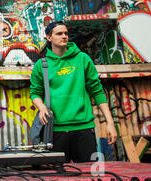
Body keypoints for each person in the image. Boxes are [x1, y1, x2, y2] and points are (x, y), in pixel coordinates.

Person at [30, 21, 117, 163]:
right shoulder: (42, 65)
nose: (64, 36)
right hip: (55, 131)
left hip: (83, 128)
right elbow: (35, 93)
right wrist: (41, 107)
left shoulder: (82, 59)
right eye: (59, 33)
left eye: (66, 33)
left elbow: (97, 91)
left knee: (90, 177)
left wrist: (110, 123)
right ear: (49, 37)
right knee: (56, 179)